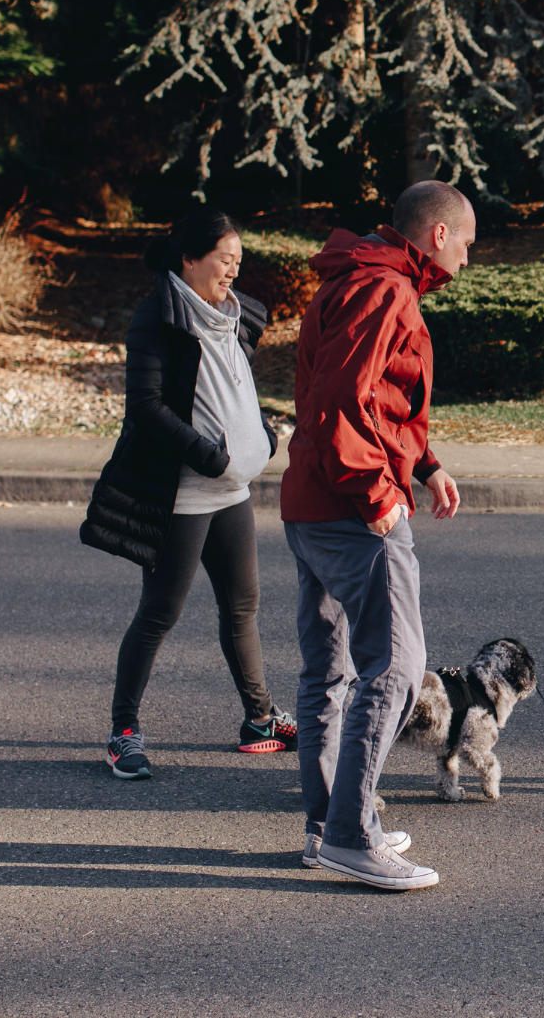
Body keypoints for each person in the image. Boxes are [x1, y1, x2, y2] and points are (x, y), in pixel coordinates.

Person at [279, 180, 471, 890]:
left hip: (311, 504)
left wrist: (425, 462)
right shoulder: (385, 290)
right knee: (394, 668)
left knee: (328, 673)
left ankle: (326, 825)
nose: (469, 259)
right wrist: (378, 495)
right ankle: (352, 836)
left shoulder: (355, 278)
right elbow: (336, 404)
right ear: (439, 235)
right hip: (351, 507)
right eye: (468, 243)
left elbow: (365, 395)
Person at [79, 207, 295, 781]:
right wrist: (211, 456)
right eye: (225, 260)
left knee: (242, 607)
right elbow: (145, 409)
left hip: (233, 492)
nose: (233, 271)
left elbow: (236, 386)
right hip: (184, 494)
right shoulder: (158, 317)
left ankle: (260, 721)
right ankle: (122, 731)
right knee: (159, 613)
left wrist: (262, 435)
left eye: (238, 262)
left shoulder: (234, 315)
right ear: (189, 258)